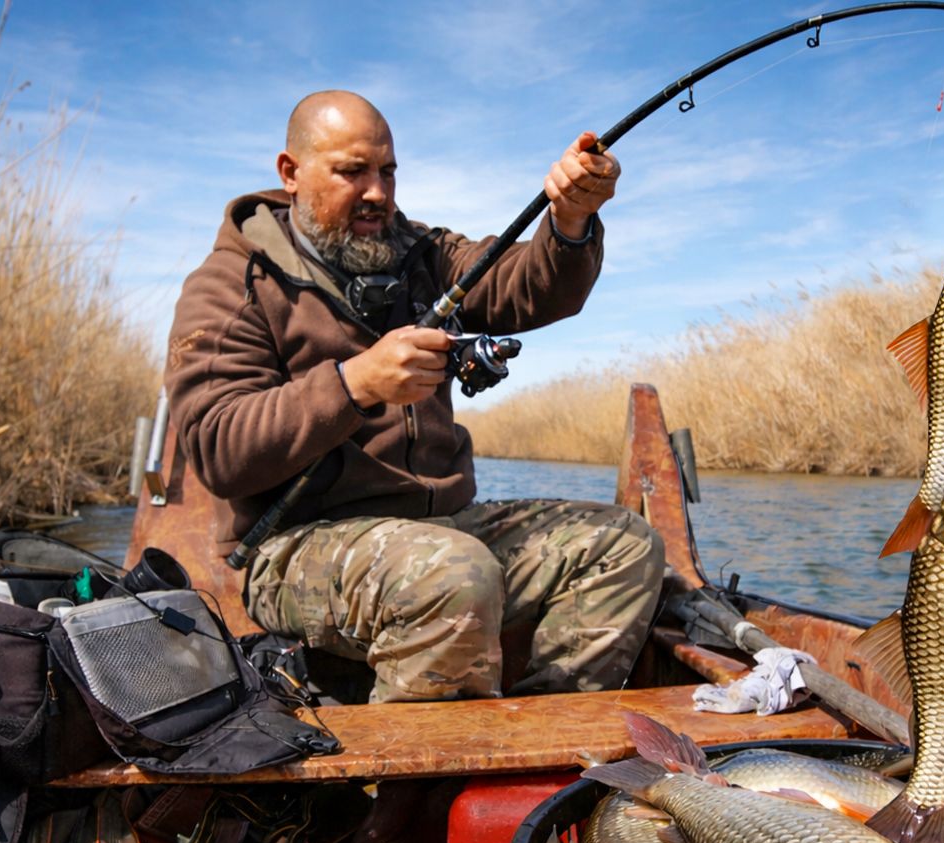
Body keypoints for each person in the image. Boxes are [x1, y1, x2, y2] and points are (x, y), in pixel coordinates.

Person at [164, 89, 664, 705]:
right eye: (353, 171)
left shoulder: (420, 251)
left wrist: (568, 221)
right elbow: (218, 448)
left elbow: (526, 287)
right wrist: (354, 384)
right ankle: (411, 799)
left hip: (439, 528)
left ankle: (544, 749)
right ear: (291, 174)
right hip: (291, 549)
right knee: (454, 575)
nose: (378, 191)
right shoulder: (229, 284)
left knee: (624, 544)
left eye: (388, 170)